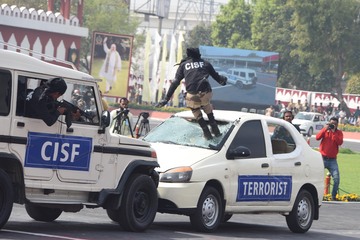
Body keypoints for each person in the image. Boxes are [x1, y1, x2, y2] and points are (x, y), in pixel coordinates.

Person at [156, 47, 227, 140]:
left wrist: (166, 98)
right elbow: (218, 78)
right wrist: (223, 80)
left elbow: (175, 82)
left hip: (193, 97)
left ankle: (206, 131)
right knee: (206, 104)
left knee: (195, 108)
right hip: (207, 94)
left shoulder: (183, 65)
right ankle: (215, 128)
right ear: (199, 54)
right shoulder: (206, 63)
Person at [315, 117, 343, 200]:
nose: (332, 125)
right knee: (317, 177)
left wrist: (334, 132)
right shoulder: (325, 130)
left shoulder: (339, 133)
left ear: (337, 124)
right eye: (331, 123)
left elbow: (339, 142)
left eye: (334, 124)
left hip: (332, 160)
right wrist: (325, 129)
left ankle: (333, 196)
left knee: (336, 178)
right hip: (322, 158)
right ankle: (316, 195)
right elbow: (317, 137)